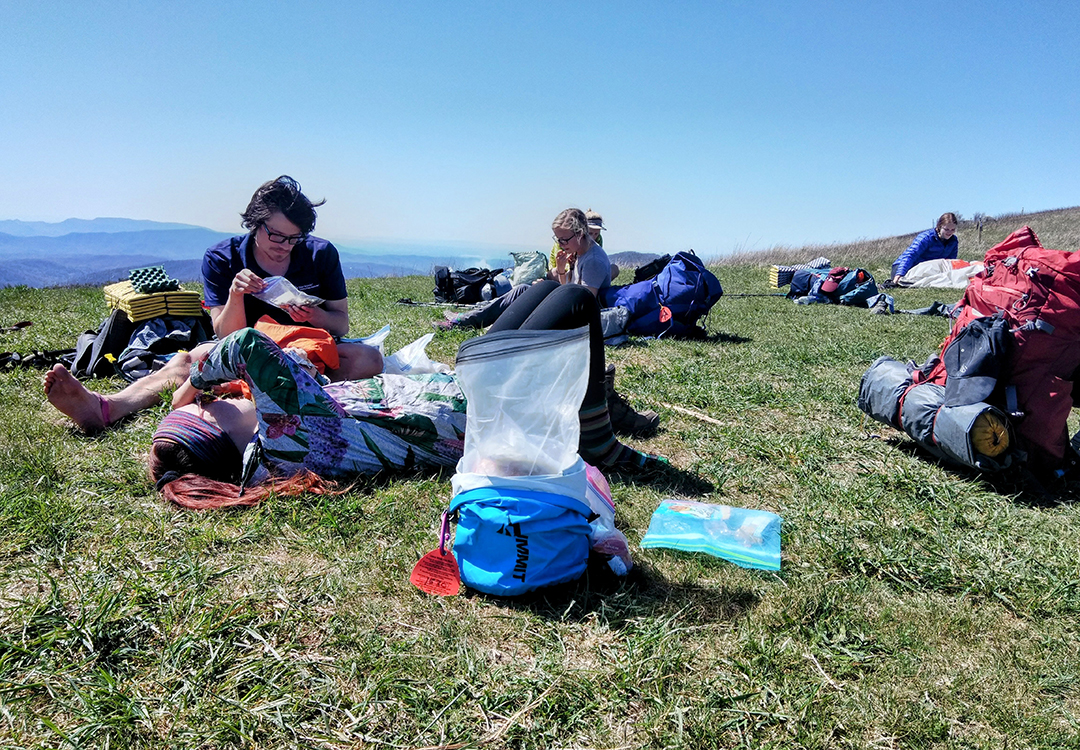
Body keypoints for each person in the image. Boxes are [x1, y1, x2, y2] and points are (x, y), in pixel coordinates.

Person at [149, 283, 665, 509]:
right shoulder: (283, 436)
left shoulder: (278, 444)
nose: (212, 399)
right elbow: (244, 344)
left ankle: (591, 416)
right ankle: (596, 441)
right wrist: (192, 387)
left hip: (463, 387)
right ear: (216, 423)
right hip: (483, 407)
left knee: (540, 291)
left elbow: (294, 374)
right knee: (575, 300)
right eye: (207, 406)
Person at [201, 176, 382, 381]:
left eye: (294, 238)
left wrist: (313, 315)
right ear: (255, 223)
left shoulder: (320, 253)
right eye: (276, 235)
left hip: (306, 348)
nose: (284, 246)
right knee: (185, 364)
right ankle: (300, 381)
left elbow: (341, 325)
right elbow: (226, 336)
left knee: (369, 359)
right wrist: (236, 294)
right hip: (247, 352)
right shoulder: (222, 258)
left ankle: (272, 382)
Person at [436, 208, 613, 331]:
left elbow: (583, 301)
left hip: (580, 320)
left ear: (580, 234)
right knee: (522, 289)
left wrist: (549, 292)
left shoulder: (593, 260)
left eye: (564, 240)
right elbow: (571, 291)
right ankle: (468, 319)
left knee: (527, 292)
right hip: (569, 305)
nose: (560, 244)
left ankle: (468, 321)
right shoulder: (580, 252)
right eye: (558, 239)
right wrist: (560, 272)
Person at [891, 213, 960, 283]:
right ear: (939, 226)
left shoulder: (953, 241)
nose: (949, 232)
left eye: (953, 229)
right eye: (946, 229)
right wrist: (900, 273)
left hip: (928, 270)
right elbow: (911, 255)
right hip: (904, 267)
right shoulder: (926, 237)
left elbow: (950, 262)